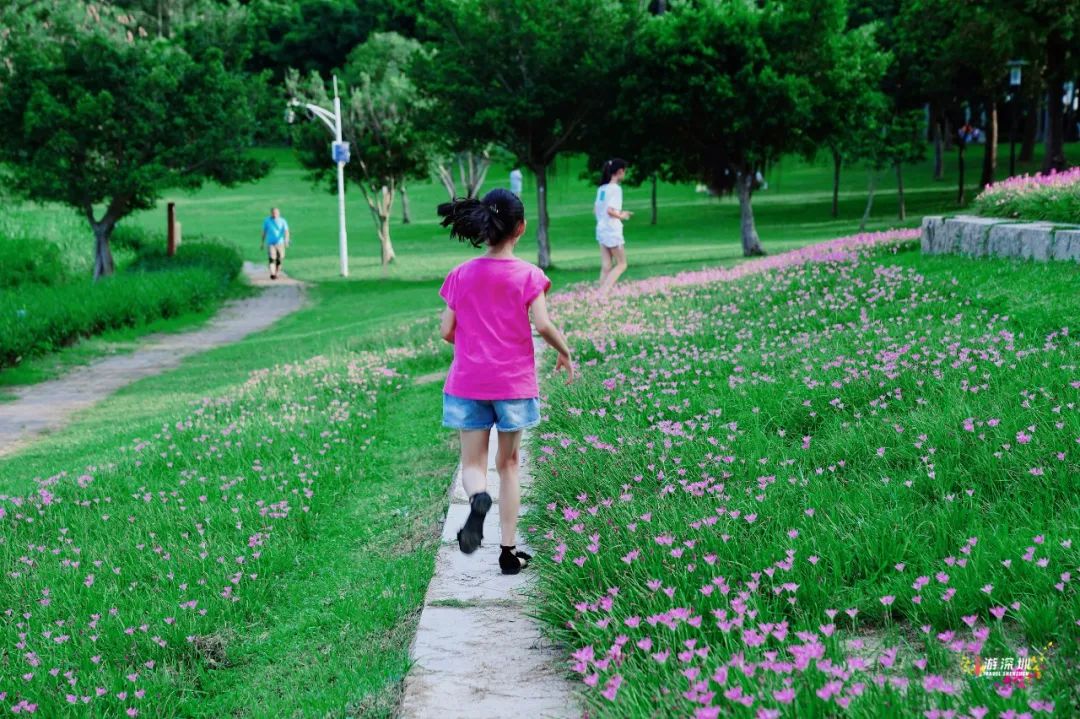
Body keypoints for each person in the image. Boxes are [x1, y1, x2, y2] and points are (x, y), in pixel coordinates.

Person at [437, 188, 575, 575]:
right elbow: (543, 325)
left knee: (474, 463)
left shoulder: (461, 274)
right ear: (521, 227)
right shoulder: (529, 275)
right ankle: (508, 553)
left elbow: (447, 330)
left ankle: (479, 498)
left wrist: (467, 340)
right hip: (512, 384)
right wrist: (564, 351)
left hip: (467, 382)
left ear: (483, 227)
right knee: (509, 464)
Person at [594, 158, 631, 297]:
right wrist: (622, 215)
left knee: (607, 265)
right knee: (622, 264)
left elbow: (597, 209)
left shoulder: (602, 189)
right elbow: (610, 210)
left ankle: (599, 296)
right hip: (611, 230)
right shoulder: (616, 189)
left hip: (601, 229)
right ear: (620, 172)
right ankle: (603, 294)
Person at [260, 207, 290, 280]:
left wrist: (286, 241)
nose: (275, 214)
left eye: (276, 213)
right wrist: (262, 243)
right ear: (271, 213)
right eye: (273, 213)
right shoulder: (267, 221)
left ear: (279, 213)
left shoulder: (283, 221)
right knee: (271, 259)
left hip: (280, 243)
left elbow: (286, 231)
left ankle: (276, 273)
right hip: (271, 243)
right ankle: (272, 274)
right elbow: (264, 232)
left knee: (279, 259)